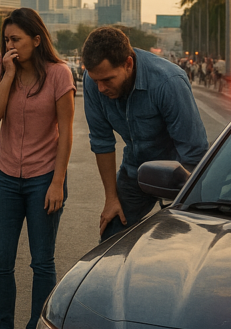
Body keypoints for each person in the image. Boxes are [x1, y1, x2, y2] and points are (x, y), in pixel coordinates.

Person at [0, 9, 75, 329]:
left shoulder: (59, 74)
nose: (10, 45)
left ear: (37, 40)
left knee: (42, 261)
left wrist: (57, 182)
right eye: (6, 40)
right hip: (5, 176)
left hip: (43, 179)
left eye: (16, 39)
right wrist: (7, 74)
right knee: (0, 259)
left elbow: (66, 132)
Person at [82, 26, 208, 241]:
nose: (100, 88)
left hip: (181, 173)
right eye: (96, 80)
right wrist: (111, 198)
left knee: (181, 243)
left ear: (128, 64)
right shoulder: (93, 82)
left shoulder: (168, 81)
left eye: (108, 80)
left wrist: (187, 202)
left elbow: (194, 152)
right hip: (135, 170)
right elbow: (102, 142)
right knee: (111, 234)